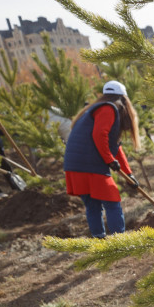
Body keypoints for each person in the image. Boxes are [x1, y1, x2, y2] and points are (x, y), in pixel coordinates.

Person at [63, 80, 142, 239]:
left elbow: (115, 145)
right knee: (112, 202)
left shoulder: (93, 109)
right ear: (123, 99)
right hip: (90, 165)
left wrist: (128, 173)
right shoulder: (108, 109)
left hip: (74, 164)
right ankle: (119, 242)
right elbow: (100, 135)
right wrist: (108, 160)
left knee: (92, 205)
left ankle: (99, 240)